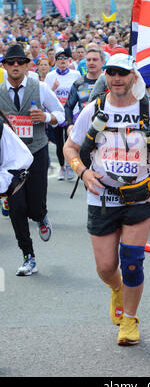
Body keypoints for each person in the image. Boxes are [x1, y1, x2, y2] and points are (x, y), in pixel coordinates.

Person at [63, 53, 150, 346]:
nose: (117, 79)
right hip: (102, 198)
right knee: (106, 267)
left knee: (132, 262)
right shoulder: (94, 109)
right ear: (106, 76)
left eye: (123, 73)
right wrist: (83, 173)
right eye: (112, 73)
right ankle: (116, 289)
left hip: (139, 198)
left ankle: (129, 320)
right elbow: (71, 147)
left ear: (133, 77)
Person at [0, 44, 65, 276]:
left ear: (28, 65)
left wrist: (46, 116)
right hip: (11, 159)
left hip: (36, 152)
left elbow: (61, 114)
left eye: (20, 62)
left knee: (35, 206)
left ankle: (41, 216)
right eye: (11, 62)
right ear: (5, 66)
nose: (15, 66)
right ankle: (28, 256)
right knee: (17, 208)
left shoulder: (41, 87)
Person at [44, 48, 81, 180]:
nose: (62, 61)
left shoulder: (75, 74)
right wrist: (53, 88)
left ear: (68, 60)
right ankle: (62, 168)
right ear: (55, 61)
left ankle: (71, 167)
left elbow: (80, 94)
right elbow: (46, 96)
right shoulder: (50, 76)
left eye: (65, 58)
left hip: (72, 113)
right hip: (57, 114)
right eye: (59, 58)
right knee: (60, 143)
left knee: (70, 142)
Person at [65, 48, 105, 133]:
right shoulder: (78, 83)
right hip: (85, 128)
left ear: (103, 62)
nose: (91, 62)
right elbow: (68, 107)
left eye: (95, 60)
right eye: (88, 60)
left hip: (106, 129)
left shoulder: (110, 82)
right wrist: (70, 125)